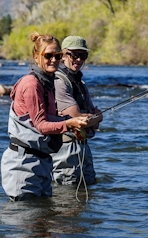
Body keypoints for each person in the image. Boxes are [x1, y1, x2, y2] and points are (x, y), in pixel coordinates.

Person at [1, 32, 89, 201]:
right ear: (36, 57)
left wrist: (68, 122)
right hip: (23, 163)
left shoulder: (47, 83)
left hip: (42, 161)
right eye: (48, 55)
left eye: (57, 55)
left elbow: (48, 118)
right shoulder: (32, 84)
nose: (54, 60)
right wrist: (70, 123)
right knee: (27, 219)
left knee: (44, 221)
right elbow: (41, 125)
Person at [52, 36, 103, 185]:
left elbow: (91, 122)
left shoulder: (80, 82)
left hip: (83, 146)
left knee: (88, 189)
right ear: (63, 55)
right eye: (74, 55)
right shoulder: (59, 82)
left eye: (83, 55)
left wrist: (94, 120)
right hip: (65, 148)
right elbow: (79, 119)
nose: (79, 60)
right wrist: (98, 117)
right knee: (68, 197)